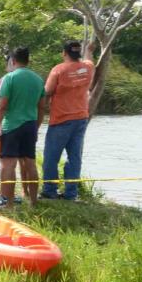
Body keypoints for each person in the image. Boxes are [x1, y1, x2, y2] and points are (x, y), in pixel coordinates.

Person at [0, 47, 45, 208]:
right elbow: (42, 107)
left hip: (12, 126)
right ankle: (33, 202)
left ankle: (8, 203)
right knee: (30, 164)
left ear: (13, 61)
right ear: (28, 61)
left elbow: (1, 106)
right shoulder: (38, 79)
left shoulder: (10, 78)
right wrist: (36, 126)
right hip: (30, 125)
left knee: (8, 165)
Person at [40, 40, 95, 201]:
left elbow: (47, 92)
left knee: (51, 156)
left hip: (61, 119)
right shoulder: (88, 67)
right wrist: (89, 50)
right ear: (78, 53)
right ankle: (71, 193)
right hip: (81, 118)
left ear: (64, 53)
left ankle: (50, 190)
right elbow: (90, 59)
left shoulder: (59, 70)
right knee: (75, 156)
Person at [0, 55, 29, 201]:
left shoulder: (6, 79)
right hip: (27, 124)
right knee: (25, 161)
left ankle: (4, 193)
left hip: (8, 125)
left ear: (11, 62)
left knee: (6, 162)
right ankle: (25, 192)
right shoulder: (32, 79)